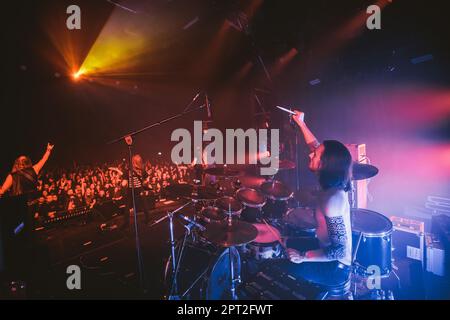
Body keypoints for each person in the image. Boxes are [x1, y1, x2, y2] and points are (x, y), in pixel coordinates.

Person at [286, 110, 353, 288]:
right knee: (284, 242)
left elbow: (339, 251)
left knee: (285, 269)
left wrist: (303, 257)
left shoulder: (333, 200)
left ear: (325, 164)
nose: (310, 154)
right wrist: (301, 123)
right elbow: (314, 145)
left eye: (315, 155)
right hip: (321, 245)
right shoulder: (330, 180)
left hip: (335, 267)